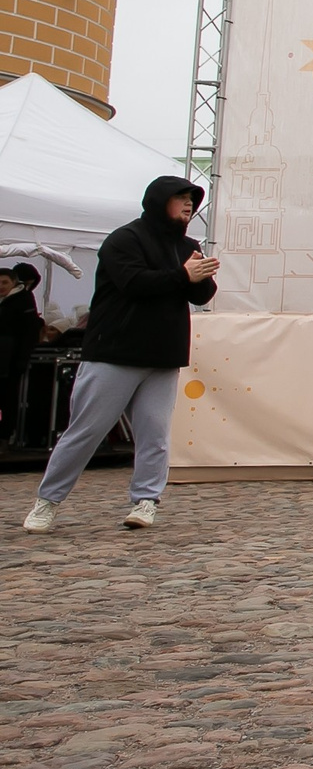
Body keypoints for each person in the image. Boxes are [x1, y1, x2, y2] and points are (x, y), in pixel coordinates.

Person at [21, 178, 217, 533]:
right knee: (86, 430)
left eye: (192, 199)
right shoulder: (124, 239)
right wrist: (182, 275)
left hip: (162, 354)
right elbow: (135, 284)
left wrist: (198, 277)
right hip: (115, 352)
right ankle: (48, 501)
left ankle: (146, 500)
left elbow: (200, 295)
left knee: (154, 432)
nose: (189, 205)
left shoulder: (187, 245)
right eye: (181, 198)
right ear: (159, 201)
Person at [2, 261, 44, 445]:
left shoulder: (24, 299)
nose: (1, 287)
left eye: (4, 283)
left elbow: (29, 332)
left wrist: (21, 359)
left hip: (10, 358)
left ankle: (3, 436)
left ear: (13, 283)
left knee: (7, 398)